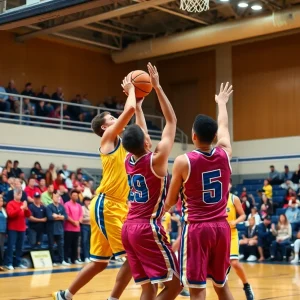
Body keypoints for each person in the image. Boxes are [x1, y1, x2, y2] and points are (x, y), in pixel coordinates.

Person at [53, 75, 136, 300]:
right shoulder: (108, 138)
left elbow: (133, 119)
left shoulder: (123, 144)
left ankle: (65, 295)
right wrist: (131, 91)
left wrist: (136, 101)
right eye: (111, 117)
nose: (116, 118)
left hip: (117, 205)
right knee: (132, 257)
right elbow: (128, 113)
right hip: (107, 204)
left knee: (99, 263)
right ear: (104, 126)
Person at [164, 82, 234, 300]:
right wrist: (221, 103)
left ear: (193, 136)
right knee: (221, 286)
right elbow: (223, 125)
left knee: (197, 289)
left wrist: (157, 210)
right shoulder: (225, 153)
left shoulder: (183, 161)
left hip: (197, 230)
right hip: (222, 229)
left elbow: (170, 199)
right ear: (214, 137)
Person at [122, 63, 181, 299]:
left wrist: (137, 106)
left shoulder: (129, 159)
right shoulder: (156, 161)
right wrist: (156, 87)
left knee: (149, 287)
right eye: (147, 137)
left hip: (128, 228)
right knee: (176, 285)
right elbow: (172, 121)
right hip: (147, 228)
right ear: (147, 143)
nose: (149, 136)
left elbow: (139, 133)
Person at [226, 188, 254, 300]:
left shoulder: (233, 198)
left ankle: (246, 285)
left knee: (235, 263)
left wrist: (235, 221)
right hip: (218, 235)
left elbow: (243, 215)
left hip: (231, 234)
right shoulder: (214, 198)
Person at [4, 189, 31, 270]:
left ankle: (18, 263)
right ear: (14, 194)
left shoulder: (23, 203)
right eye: (17, 193)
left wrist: (26, 209)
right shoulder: (10, 203)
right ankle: (9, 263)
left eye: (20, 193)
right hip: (13, 228)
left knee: (20, 247)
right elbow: (11, 215)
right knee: (11, 246)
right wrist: (21, 208)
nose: (19, 194)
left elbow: (28, 215)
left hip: (22, 228)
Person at [46, 191, 69, 267]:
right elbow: (50, 217)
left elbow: (65, 217)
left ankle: (62, 260)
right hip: (51, 229)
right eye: (56, 197)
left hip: (60, 229)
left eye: (58, 197)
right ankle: (52, 261)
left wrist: (56, 216)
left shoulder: (62, 207)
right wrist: (60, 217)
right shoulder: (49, 207)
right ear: (52, 198)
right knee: (51, 246)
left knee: (61, 245)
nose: (57, 198)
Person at [64, 190, 83, 265]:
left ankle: (74, 259)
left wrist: (79, 221)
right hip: (68, 228)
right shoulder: (67, 204)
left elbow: (81, 215)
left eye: (76, 195)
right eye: (74, 195)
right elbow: (67, 215)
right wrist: (74, 222)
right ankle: (66, 259)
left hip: (77, 228)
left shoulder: (79, 205)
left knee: (75, 245)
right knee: (67, 244)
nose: (75, 197)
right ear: (71, 196)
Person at [81, 197, 91, 263]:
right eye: (87, 201)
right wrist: (90, 218)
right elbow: (81, 218)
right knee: (85, 241)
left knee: (90, 242)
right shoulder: (82, 208)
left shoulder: (90, 208)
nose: (88, 202)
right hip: (84, 226)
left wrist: (89, 218)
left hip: (91, 226)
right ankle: (85, 257)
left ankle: (90, 256)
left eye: (89, 201)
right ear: (84, 201)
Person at [0, 194, 7, 271]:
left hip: (3, 231)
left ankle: (1, 264)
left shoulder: (4, 210)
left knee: (1, 248)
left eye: (1, 200)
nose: (1, 201)